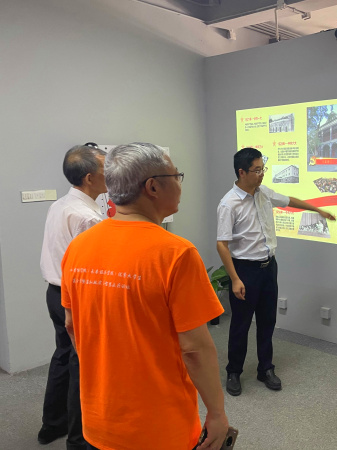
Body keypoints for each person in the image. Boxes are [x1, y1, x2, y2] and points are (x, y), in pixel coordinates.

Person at [61, 143, 229, 450]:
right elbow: (194, 349)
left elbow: (72, 325)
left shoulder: (79, 247)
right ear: (153, 187)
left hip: (98, 419)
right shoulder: (176, 253)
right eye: (176, 175)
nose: (180, 183)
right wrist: (217, 413)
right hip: (158, 427)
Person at [217, 147, 335, 396]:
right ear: (241, 172)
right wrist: (235, 279)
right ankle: (234, 372)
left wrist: (316, 209)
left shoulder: (264, 193)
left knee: (267, 321)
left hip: (268, 268)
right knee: (240, 325)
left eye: (263, 169)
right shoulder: (229, 204)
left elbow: (289, 200)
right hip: (244, 270)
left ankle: (265, 369)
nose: (261, 174)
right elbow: (222, 245)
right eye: (257, 170)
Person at [39, 143, 107, 449]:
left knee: (63, 356)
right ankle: (79, 439)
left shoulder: (61, 205)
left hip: (54, 293)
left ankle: (51, 425)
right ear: (90, 178)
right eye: (106, 169)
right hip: (76, 299)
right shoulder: (87, 218)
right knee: (82, 365)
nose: (111, 174)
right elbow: (93, 269)